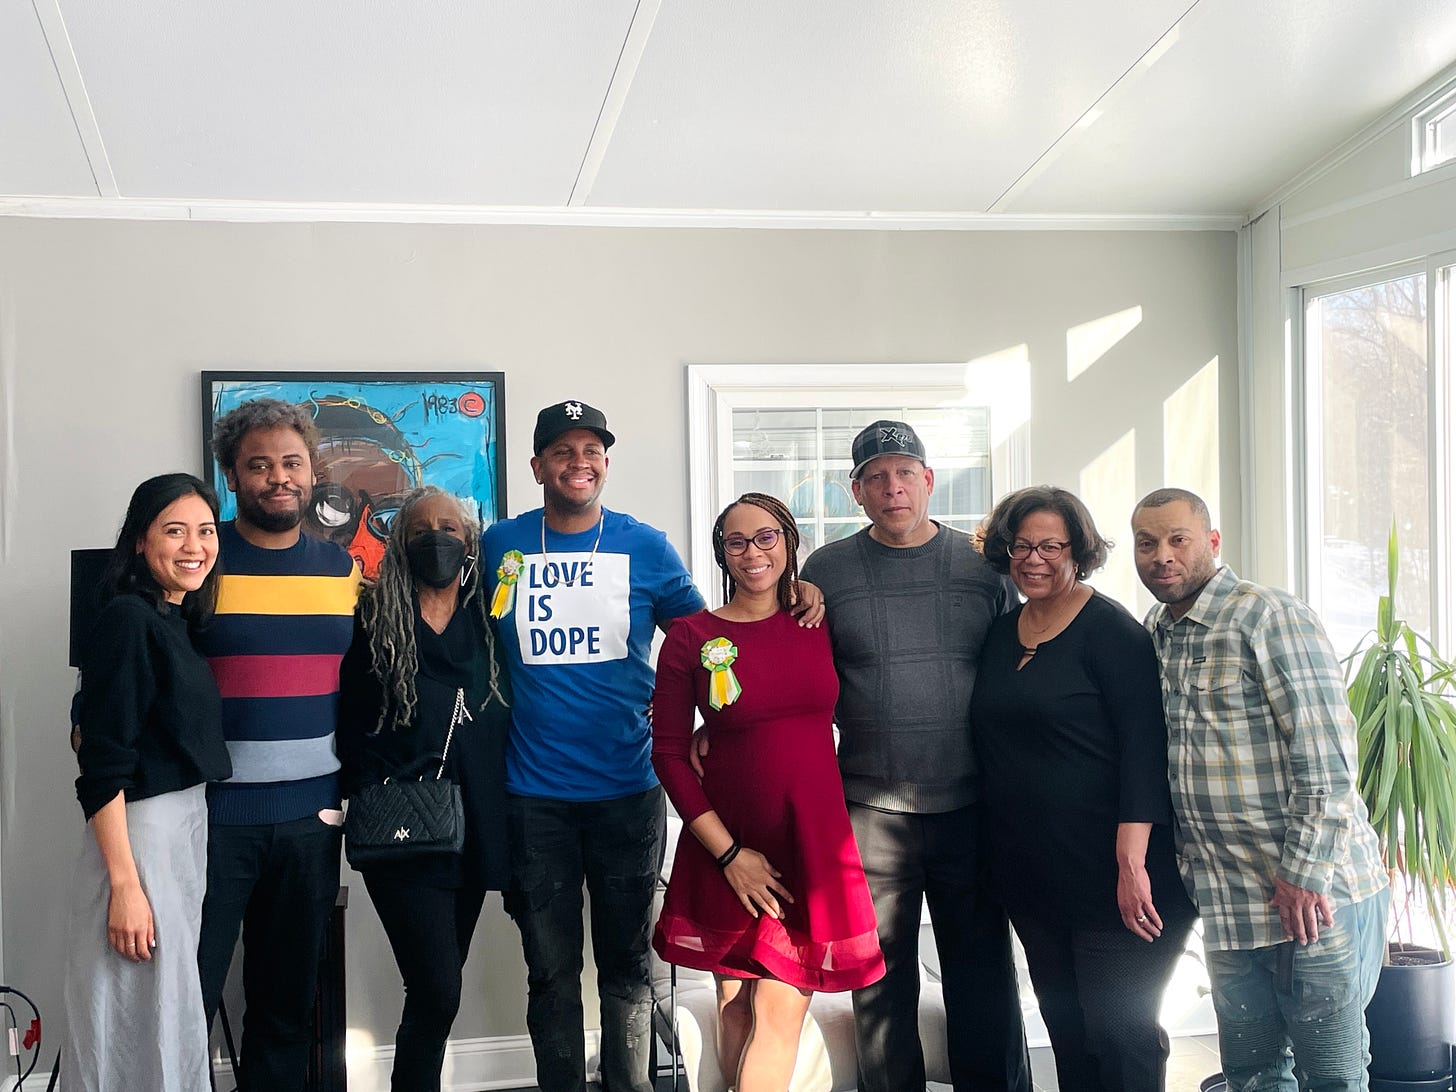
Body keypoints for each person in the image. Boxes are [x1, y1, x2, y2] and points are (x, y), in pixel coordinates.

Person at [708, 419, 1030, 1091]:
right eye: (877, 476)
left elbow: (1017, 670)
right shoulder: (827, 571)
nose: (893, 487)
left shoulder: (983, 570)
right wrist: (726, 726)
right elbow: (784, 663)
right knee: (879, 982)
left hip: (970, 804)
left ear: (928, 480)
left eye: (905, 472)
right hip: (868, 810)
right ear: (856, 490)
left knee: (983, 975)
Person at [481, 399, 708, 1092]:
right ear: (537, 466)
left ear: (604, 463)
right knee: (549, 970)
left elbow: (704, 642)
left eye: (591, 451)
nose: (579, 462)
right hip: (533, 797)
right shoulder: (501, 546)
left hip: (627, 791)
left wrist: (700, 729)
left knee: (627, 965)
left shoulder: (644, 545)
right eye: (563, 451)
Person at [1130, 487, 1390, 1091]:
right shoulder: (1156, 632)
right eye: (1148, 543)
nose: (1162, 555)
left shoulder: (1267, 615)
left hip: (1313, 894)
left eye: (1178, 539)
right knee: (1251, 1074)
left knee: (1332, 1072)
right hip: (1229, 899)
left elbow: (1326, 755)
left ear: (1212, 543)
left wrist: (1302, 874)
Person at [652, 493, 885, 1090]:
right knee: (736, 1009)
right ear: (721, 554)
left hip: (810, 843)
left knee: (780, 1012)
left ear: (788, 540)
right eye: (736, 541)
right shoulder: (689, 636)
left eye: (766, 537)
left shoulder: (819, 619)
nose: (752, 552)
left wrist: (811, 592)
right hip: (727, 846)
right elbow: (670, 755)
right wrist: (729, 857)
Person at [971, 486, 1195, 1092]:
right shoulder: (1000, 634)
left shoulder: (1111, 632)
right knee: (1068, 1034)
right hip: (1033, 878)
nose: (1034, 558)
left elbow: (1146, 752)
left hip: (1118, 880)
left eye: (1051, 544)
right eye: (1022, 545)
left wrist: (1131, 863)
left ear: (1079, 550)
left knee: (1120, 1037)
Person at [194, 398, 363, 1092]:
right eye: (258, 465)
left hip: (308, 823)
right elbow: (139, 659)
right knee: (185, 1000)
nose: (278, 477)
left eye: (291, 462)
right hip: (208, 821)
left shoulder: (341, 570)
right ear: (232, 476)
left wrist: (341, 799)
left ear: (312, 471)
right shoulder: (199, 563)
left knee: (286, 1009)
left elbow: (364, 691)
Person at [337, 486, 513, 1092]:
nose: (435, 538)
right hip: (404, 828)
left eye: (449, 527)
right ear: (399, 541)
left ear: (469, 541)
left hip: (479, 824)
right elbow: (347, 722)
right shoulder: (368, 618)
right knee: (437, 988)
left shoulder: (493, 613)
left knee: (438, 991)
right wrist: (358, 793)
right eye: (418, 529)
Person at [61, 473, 232, 1091]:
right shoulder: (128, 621)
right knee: (130, 1011)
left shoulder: (174, 620)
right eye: (175, 530)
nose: (195, 546)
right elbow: (102, 769)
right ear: (139, 541)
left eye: (206, 531)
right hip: (139, 837)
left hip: (181, 826)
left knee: (166, 1010)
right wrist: (125, 886)